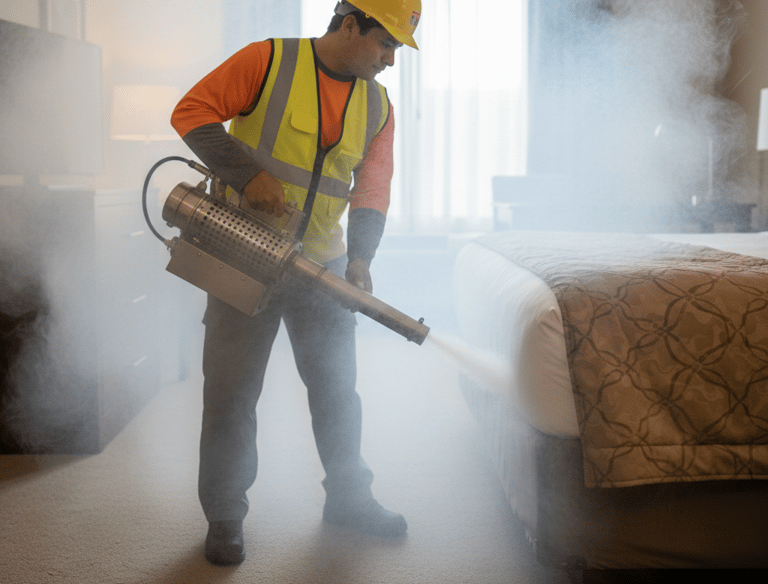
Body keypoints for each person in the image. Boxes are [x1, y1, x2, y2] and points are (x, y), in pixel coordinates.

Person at [170, 0, 421, 566]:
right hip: (244, 251)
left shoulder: (378, 104)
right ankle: (226, 516)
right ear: (351, 25)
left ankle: (350, 500)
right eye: (386, 45)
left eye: (397, 50)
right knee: (232, 392)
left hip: (323, 265)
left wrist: (360, 260)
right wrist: (249, 174)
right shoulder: (267, 61)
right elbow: (192, 111)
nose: (390, 60)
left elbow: (372, 189)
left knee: (337, 389)